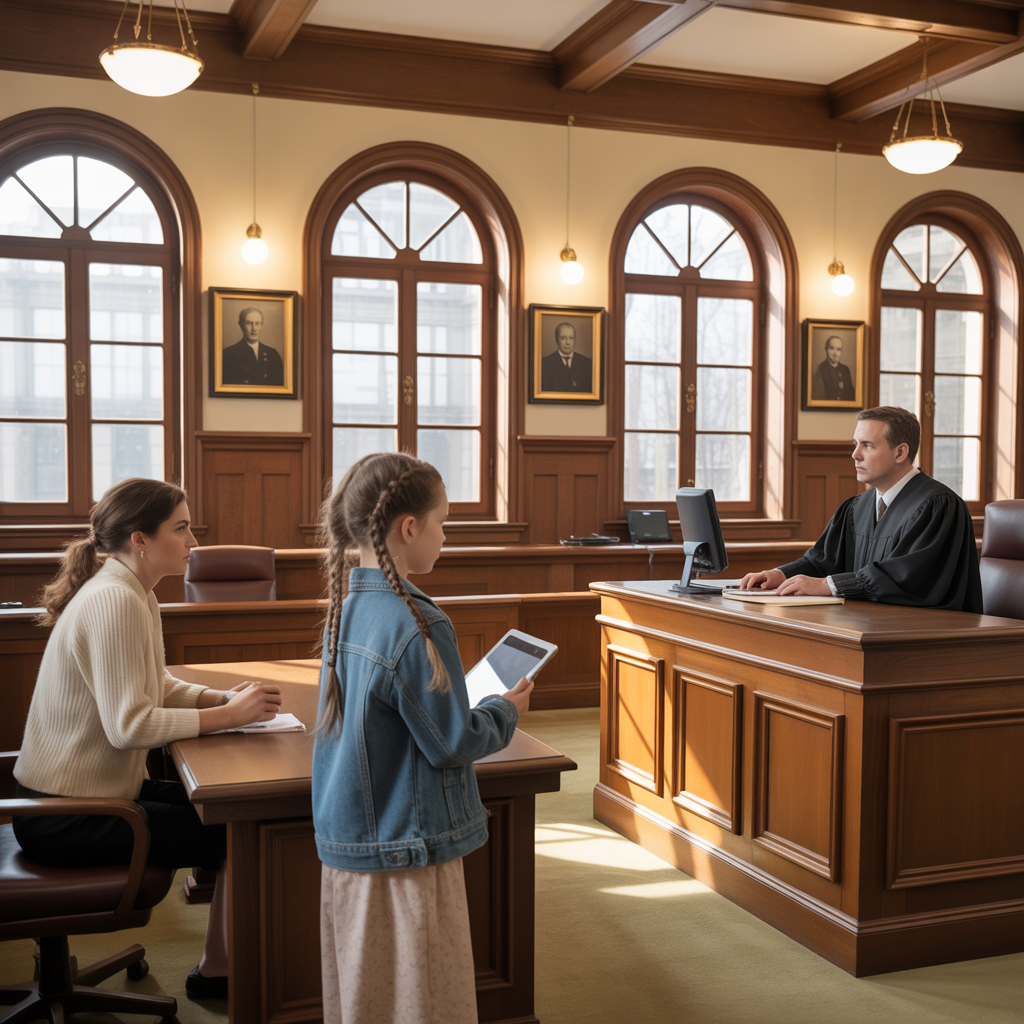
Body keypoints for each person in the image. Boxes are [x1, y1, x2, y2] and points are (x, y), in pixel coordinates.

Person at [13, 478, 284, 1000]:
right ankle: (218, 973)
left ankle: (221, 964)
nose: (193, 542)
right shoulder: (116, 600)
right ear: (140, 539)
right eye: (181, 529)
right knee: (238, 827)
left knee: (230, 806)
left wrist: (219, 698)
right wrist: (229, 718)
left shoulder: (131, 591)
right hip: (63, 815)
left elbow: (153, 685)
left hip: (99, 793)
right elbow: (129, 725)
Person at [313, 452, 533, 1024]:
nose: (444, 536)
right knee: (420, 998)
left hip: (353, 837)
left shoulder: (346, 605)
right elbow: (452, 743)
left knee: (365, 996)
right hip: (403, 845)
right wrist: (504, 711)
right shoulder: (418, 621)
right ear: (408, 528)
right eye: (443, 523)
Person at [740, 406, 983, 612]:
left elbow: (905, 578)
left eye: (867, 445)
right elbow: (823, 560)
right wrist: (779, 575)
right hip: (869, 626)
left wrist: (826, 586)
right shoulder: (856, 507)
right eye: (855, 444)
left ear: (900, 452)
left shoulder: (937, 507)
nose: (855, 455)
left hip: (927, 639)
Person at [221, 307, 285, 386]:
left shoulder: (273, 354)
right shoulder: (228, 354)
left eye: (257, 323)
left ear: (261, 325)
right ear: (241, 325)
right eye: (249, 323)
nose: (254, 329)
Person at [540, 321, 593, 392]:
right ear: (557, 340)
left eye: (571, 338)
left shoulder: (587, 363)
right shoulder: (545, 364)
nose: (567, 342)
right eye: (563, 338)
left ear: (575, 340)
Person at [812, 334, 854, 401]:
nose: (835, 353)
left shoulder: (845, 369)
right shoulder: (821, 369)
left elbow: (851, 395)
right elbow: (820, 397)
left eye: (838, 349)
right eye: (831, 348)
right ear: (826, 349)